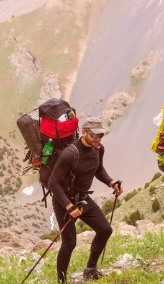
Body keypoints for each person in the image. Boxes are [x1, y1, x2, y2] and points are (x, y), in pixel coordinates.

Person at [49, 117, 123, 283]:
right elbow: (52, 182)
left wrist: (111, 182)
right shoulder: (70, 153)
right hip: (64, 202)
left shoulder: (98, 149)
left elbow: (99, 169)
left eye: (101, 135)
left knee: (105, 230)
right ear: (84, 132)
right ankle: (61, 281)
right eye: (94, 135)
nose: (97, 139)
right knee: (69, 243)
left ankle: (90, 269)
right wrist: (68, 206)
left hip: (82, 198)